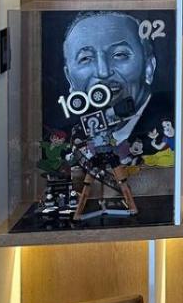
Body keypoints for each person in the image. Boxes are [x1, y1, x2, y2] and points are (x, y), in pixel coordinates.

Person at [60, 11, 174, 190]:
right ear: (69, 78)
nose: (103, 72)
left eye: (119, 55)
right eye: (86, 58)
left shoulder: (174, 123)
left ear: (149, 67)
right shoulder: (69, 137)